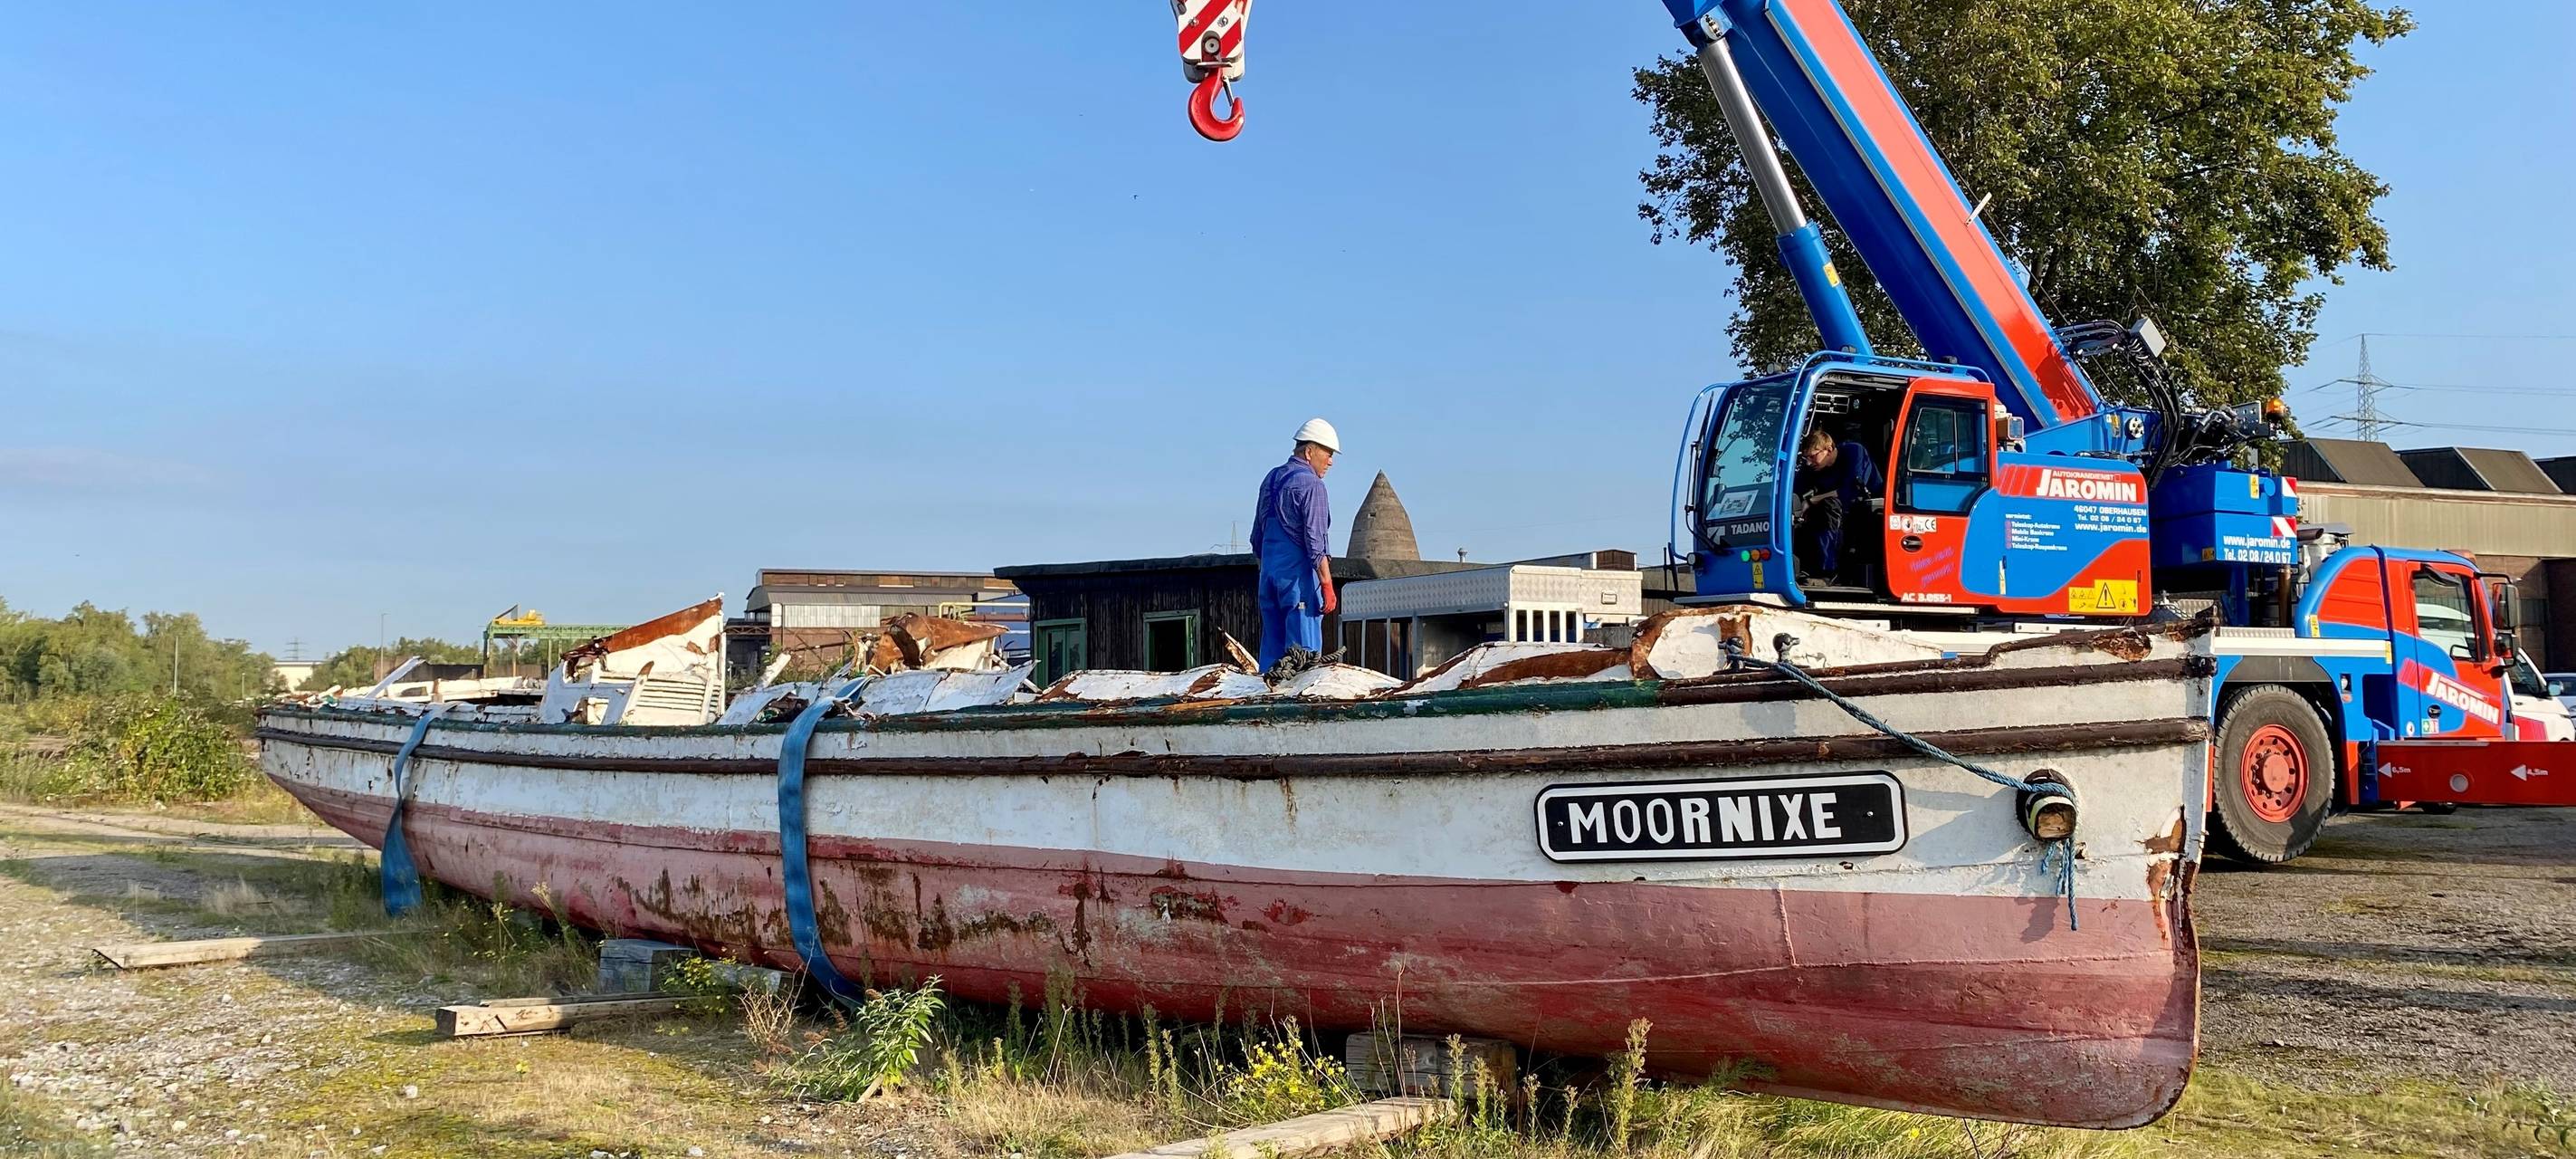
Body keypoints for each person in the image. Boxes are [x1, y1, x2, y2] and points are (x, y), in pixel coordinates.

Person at [1252, 418, 1340, 672]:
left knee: (1273, 658)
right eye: (1328, 454)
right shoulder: (1313, 485)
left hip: (1268, 579)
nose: (1331, 462)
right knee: (1304, 660)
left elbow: (1257, 538)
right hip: (1298, 582)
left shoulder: (1271, 479)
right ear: (1310, 451)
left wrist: (1268, 572)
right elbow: (1315, 542)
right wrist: (1326, 584)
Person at [1791, 426, 1882, 586]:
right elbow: (1796, 490)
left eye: (1812, 456)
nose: (1808, 462)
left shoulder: (1854, 452)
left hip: (1867, 510)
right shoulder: (1811, 469)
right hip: (1837, 514)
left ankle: (1830, 573)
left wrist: (1813, 500)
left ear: (1829, 449)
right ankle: (1801, 567)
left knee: (1829, 506)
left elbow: (1852, 490)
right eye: (1806, 458)